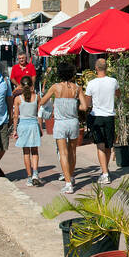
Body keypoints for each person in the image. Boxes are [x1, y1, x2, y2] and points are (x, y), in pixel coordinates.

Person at [42, 61, 83, 194]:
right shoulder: (77, 88)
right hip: (73, 122)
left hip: (60, 122)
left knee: (63, 153)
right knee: (73, 152)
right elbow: (84, 106)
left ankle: (68, 183)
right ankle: (71, 176)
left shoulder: (55, 87)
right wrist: (74, 106)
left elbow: (42, 101)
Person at [84, 57, 119, 183]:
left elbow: (87, 103)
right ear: (106, 68)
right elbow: (118, 94)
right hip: (110, 116)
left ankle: (104, 173)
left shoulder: (91, 83)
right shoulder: (113, 81)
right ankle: (106, 170)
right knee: (109, 145)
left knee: (100, 145)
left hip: (97, 116)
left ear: (96, 68)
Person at [12, 75, 42, 186]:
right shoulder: (37, 97)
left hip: (23, 125)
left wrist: (15, 130)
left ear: (20, 86)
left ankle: (29, 177)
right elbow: (39, 114)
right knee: (35, 151)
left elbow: (15, 116)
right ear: (31, 85)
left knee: (26, 152)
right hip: (33, 124)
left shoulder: (18, 99)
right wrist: (39, 126)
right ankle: (35, 173)